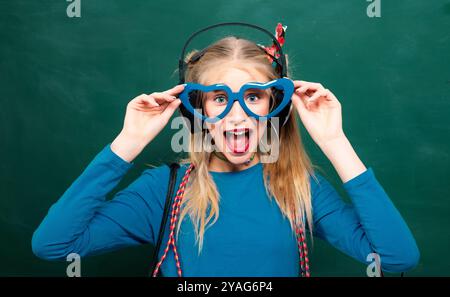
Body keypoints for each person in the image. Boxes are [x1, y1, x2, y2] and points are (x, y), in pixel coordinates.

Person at [32, 24, 420, 277]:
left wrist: (336, 143)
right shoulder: (161, 191)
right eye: (220, 98)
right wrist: (127, 144)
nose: (237, 114)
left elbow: (397, 257)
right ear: (198, 108)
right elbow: (53, 245)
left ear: (275, 104)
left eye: (253, 96)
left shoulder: (300, 188)